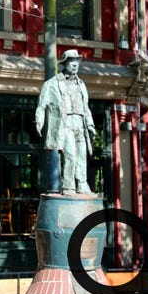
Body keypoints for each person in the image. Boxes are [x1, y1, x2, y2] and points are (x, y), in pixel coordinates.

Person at [35, 49, 96, 195]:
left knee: (82, 154)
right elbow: (42, 105)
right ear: (65, 63)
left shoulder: (81, 84)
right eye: (71, 61)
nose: (75, 65)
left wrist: (90, 124)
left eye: (77, 62)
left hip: (80, 122)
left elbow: (85, 107)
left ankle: (82, 184)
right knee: (70, 154)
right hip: (65, 122)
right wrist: (39, 122)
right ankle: (69, 186)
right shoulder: (52, 84)